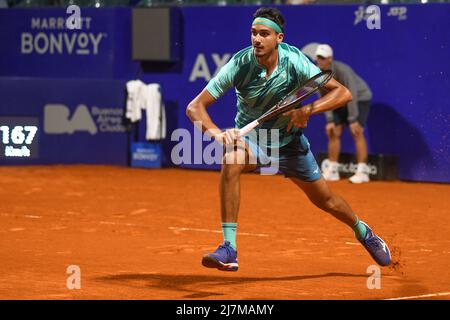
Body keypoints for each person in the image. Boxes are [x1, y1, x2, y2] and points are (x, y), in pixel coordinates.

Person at [186, 7, 390, 272]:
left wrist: (308, 110)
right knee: (231, 160)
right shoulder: (239, 64)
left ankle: (362, 231)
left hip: (290, 144)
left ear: (279, 38)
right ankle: (229, 247)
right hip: (255, 142)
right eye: (253, 33)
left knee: (326, 200)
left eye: (264, 34)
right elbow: (195, 107)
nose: (257, 39)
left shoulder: (295, 61)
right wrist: (217, 133)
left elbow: (343, 94)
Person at [315, 44, 373, 183]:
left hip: (358, 98)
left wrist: (353, 119)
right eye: (318, 58)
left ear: (330, 59)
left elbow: (351, 93)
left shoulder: (343, 70)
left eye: (323, 58)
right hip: (339, 100)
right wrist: (329, 120)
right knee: (333, 131)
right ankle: (333, 169)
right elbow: (324, 99)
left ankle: (363, 171)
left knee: (356, 131)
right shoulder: (317, 74)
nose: (320, 61)